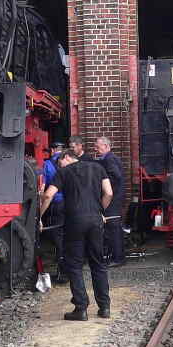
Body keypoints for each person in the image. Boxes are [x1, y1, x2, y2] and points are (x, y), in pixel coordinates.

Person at [41, 148, 113, 321]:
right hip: (95, 220)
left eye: (60, 163)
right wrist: (100, 211)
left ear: (66, 157)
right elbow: (109, 193)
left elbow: (48, 195)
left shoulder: (63, 172)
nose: (59, 166)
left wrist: (39, 216)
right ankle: (104, 307)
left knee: (74, 265)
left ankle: (81, 309)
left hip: (74, 222)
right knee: (98, 263)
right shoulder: (98, 168)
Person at [94, 136, 126, 268]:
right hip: (115, 198)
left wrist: (104, 187)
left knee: (113, 228)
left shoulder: (109, 159)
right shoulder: (110, 158)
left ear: (106, 146)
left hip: (113, 199)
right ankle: (116, 256)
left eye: (98, 146)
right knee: (113, 228)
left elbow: (116, 177)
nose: (95, 148)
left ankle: (118, 258)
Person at [40, 142, 67, 283]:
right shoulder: (71, 162)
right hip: (71, 204)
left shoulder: (47, 164)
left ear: (52, 150)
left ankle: (62, 272)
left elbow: (42, 186)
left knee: (57, 236)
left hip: (55, 203)